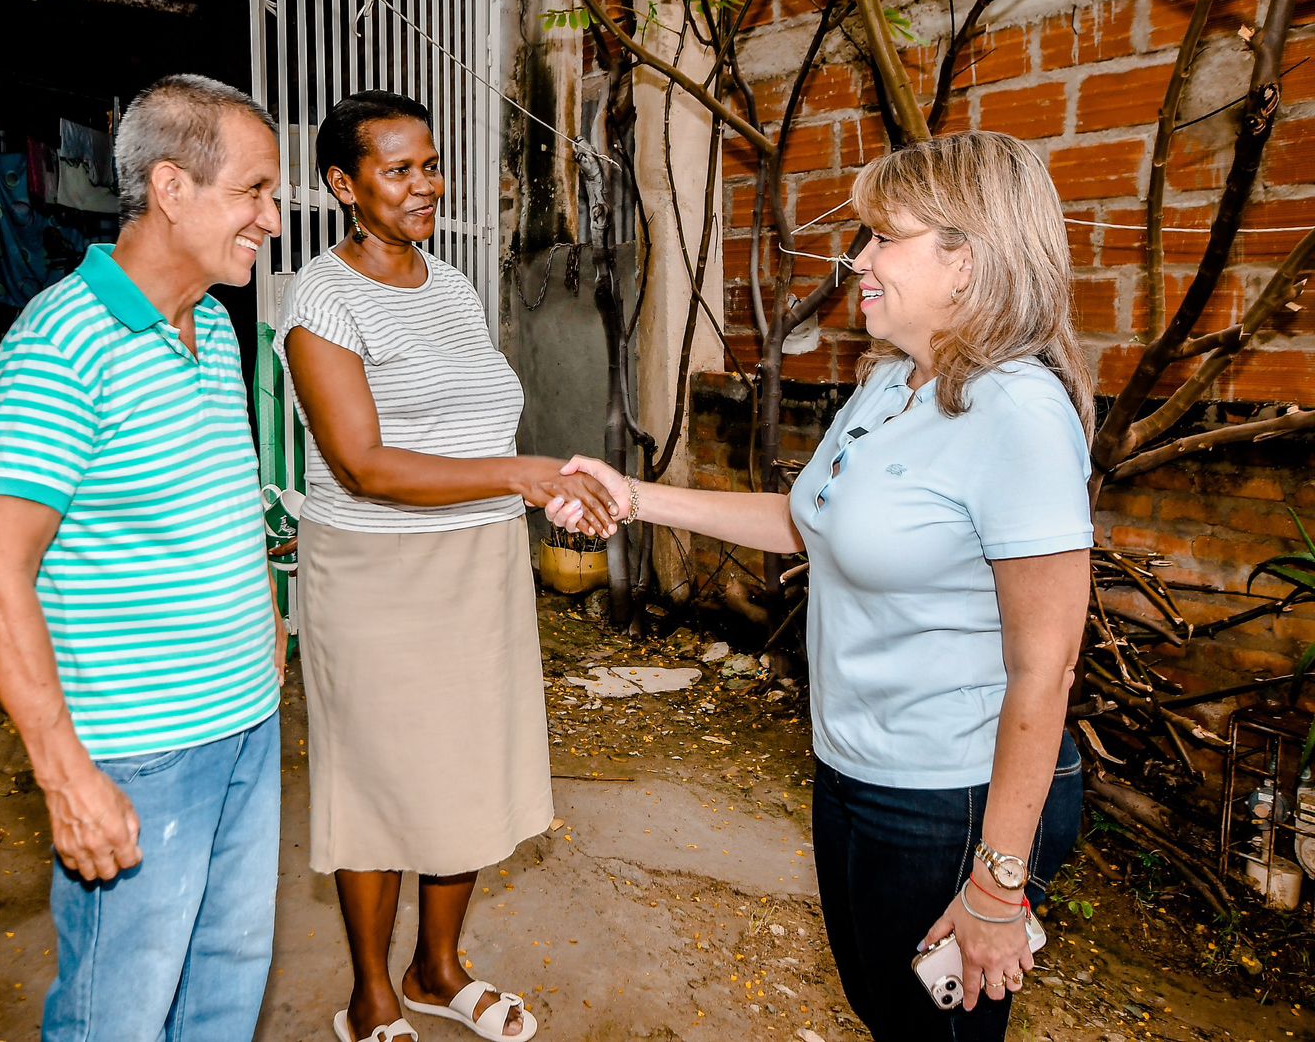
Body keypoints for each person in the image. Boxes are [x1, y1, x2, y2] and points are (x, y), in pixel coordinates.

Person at [550, 131, 1091, 1042]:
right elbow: (812, 522)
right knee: (884, 1011)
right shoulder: (892, 384)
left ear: (968, 260)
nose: (860, 259)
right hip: (852, 766)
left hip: (951, 796)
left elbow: (1048, 666)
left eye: (887, 237)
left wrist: (997, 885)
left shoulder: (1018, 414)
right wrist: (633, 497)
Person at [276, 90, 616, 1042]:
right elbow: (364, 463)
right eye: (398, 169)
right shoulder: (320, 298)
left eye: (429, 164)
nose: (424, 184)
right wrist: (522, 474)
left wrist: (525, 491)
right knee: (381, 776)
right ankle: (371, 995)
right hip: (377, 573)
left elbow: (468, 420)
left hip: (478, 560)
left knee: (464, 768)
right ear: (344, 185)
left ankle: (437, 967)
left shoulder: (454, 285)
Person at [0, 74, 287, 1040]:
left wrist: (264, 618)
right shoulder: (63, 343)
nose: (272, 219)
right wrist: (65, 772)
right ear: (171, 188)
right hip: (139, 749)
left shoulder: (220, 331)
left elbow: (219, 502)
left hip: (249, 723)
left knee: (228, 980)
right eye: (255, 192)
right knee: (121, 1009)